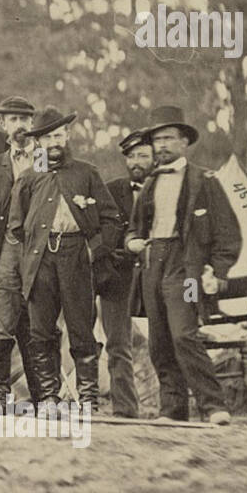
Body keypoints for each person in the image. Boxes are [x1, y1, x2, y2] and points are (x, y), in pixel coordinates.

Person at [125, 105, 241, 425]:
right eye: (157, 139)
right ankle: (172, 411)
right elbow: (134, 229)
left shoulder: (204, 180)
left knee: (184, 334)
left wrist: (216, 272)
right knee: (159, 341)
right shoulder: (150, 183)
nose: (161, 145)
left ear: (184, 143)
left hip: (186, 268)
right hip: (153, 265)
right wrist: (133, 242)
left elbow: (228, 234)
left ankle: (214, 406)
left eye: (168, 138)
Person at [8, 107, 122, 411]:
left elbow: (111, 219)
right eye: (47, 137)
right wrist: (34, 252)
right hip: (40, 259)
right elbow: (16, 225)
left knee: (82, 328)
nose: (54, 142)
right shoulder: (29, 177)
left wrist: (95, 249)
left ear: (67, 135)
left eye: (59, 135)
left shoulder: (86, 173)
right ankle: (48, 397)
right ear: (39, 142)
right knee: (41, 330)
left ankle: (88, 399)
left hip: (77, 257)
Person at [0, 95, 41, 409]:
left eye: (24, 119)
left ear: (32, 124)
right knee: (1, 319)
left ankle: (43, 396)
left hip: (42, 252)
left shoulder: (47, 160)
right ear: (3, 125)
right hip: (7, 250)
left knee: (39, 321)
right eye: (13, 120)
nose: (19, 126)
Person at [97, 129, 153, 418]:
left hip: (159, 276)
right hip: (119, 278)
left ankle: (174, 407)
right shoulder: (111, 190)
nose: (136, 162)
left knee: (173, 338)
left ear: (155, 156)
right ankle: (126, 409)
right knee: (117, 343)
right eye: (131, 156)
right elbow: (102, 234)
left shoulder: (169, 188)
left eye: (143, 155)